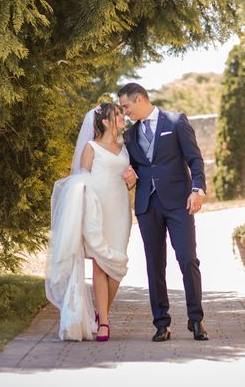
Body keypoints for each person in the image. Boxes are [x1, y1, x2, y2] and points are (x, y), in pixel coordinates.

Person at [118, 82, 209, 342]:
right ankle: (161, 323)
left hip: (180, 203)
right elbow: (136, 169)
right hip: (148, 207)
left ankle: (196, 319)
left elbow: (195, 159)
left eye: (126, 106)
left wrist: (197, 190)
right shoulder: (130, 135)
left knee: (188, 259)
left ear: (139, 99)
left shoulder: (176, 121)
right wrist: (130, 178)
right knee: (154, 265)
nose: (125, 112)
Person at [45, 102, 137, 341]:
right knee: (99, 263)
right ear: (105, 121)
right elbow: (79, 182)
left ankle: (100, 312)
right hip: (97, 210)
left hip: (120, 209)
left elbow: (129, 179)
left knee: (118, 264)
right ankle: (104, 322)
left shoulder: (125, 146)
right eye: (117, 114)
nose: (122, 117)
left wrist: (132, 180)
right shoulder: (91, 147)